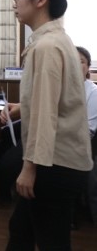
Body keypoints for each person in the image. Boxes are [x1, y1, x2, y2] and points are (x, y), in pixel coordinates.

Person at [4, 0, 93, 250]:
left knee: (51, 242)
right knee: (21, 230)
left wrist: (29, 167)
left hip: (54, 164)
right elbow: (53, 98)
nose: (15, 3)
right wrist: (21, 107)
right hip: (60, 162)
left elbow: (46, 114)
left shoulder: (46, 47)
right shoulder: (57, 39)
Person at [77, 46, 97, 225]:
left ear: (88, 67)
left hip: (82, 145)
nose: (76, 65)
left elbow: (89, 130)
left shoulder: (93, 92)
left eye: (81, 62)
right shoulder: (58, 87)